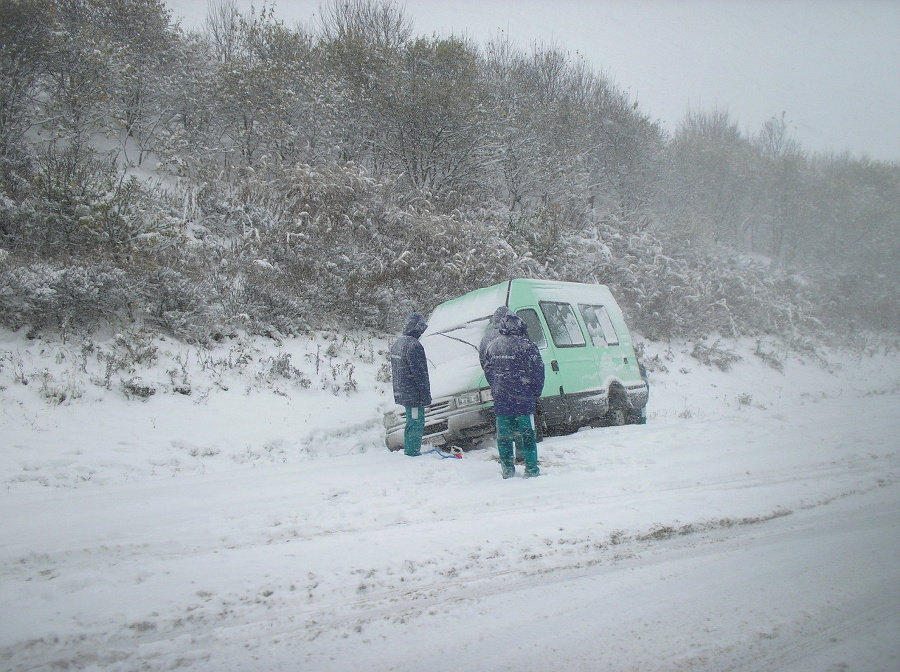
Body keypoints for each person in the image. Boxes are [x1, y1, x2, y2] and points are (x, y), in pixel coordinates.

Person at [482, 312, 545, 478]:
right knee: (528, 437)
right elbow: (538, 372)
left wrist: (497, 387)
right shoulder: (527, 346)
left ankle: (507, 470)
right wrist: (535, 393)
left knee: (504, 438)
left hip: (502, 401)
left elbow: (488, 371)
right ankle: (531, 469)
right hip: (523, 401)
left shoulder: (492, 346)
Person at [390, 312, 432, 456]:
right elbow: (420, 374)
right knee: (416, 423)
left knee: (411, 422)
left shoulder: (398, 344)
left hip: (403, 392)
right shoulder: (413, 346)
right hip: (414, 395)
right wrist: (425, 396)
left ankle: (410, 449)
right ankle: (412, 452)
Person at [478, 305, 513, 372]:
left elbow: (484, 363)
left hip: (496, 379)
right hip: (519, 378)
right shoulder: (515, 334)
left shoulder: (486, 338)